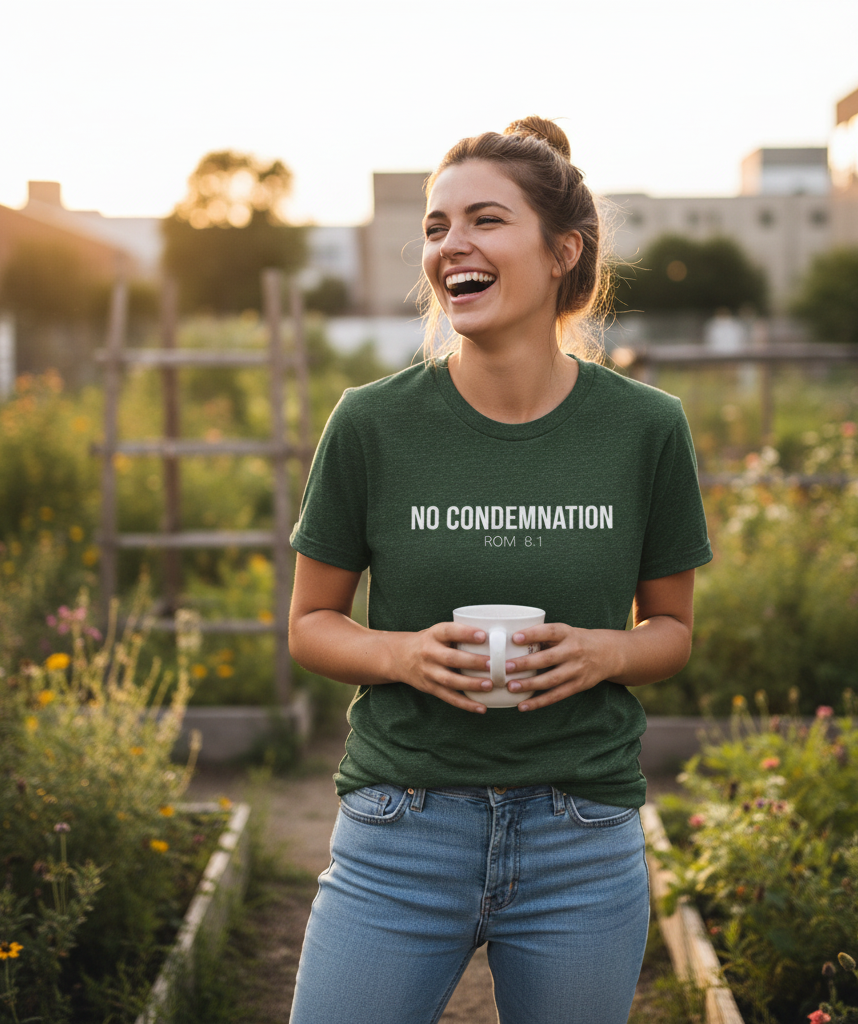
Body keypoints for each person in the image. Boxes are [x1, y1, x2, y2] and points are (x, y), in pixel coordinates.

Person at [287, 116, 712, 1024]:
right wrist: (401, 656)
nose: (451, 247)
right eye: (437, 228)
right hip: (402, 828)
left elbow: (672, 634)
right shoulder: (371, 423)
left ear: (564, 251)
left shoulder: (646, 429)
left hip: (582, 839)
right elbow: (309, 624)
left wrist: (605, 652)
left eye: (484, 220)